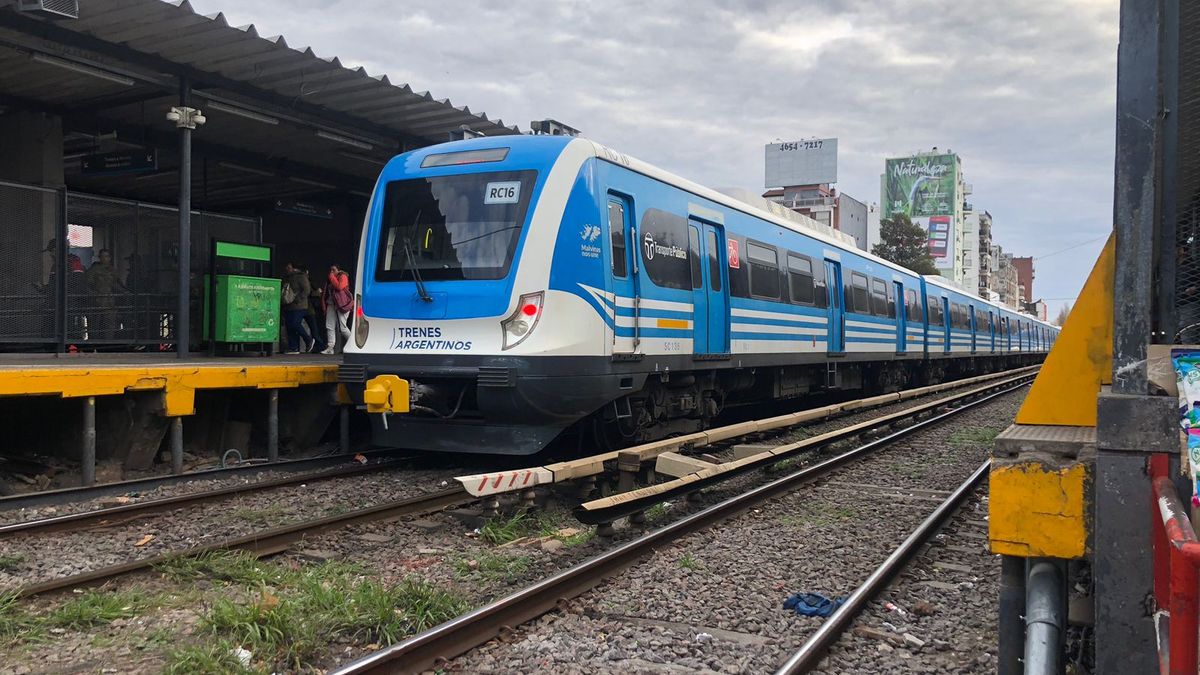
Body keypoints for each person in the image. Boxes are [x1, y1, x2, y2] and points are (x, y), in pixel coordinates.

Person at [85, 249, 123, 339]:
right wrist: (92, 294)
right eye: (102, 256)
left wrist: (125, 292)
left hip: (109, 303)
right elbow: (87, 284)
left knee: (109, 326)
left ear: (109, 258)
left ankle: (108, 346)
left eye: (106, 256)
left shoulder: (112, 270)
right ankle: (94, 346)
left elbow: (116, 284)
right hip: (97, 303)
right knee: (95, 327)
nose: (104, 258)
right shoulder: (94, 270)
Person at [281, 263, 314, 354]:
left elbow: (307, 290)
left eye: (288, 267)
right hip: (288, 306)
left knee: (295, 323)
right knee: (289, 326)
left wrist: (297, 299)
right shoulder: (286, 278)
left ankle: (308, 339)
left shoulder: (301, 277)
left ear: (294, 268)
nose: (286, 268)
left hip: (299, 306)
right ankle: (294, 347)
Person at [321, 264, 353, 354]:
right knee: (329, 325)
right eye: (330, 270)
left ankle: (353, 344)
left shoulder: (343, 276)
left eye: (334, 270)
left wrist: (332, 277)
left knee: (343, 328)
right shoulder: (330, 279)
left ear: (338, 270)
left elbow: (339, 287)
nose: (332, 272)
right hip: (331, 304)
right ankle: (330, 347)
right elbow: (325, 293)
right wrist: (324, 305)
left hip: (342, 304)